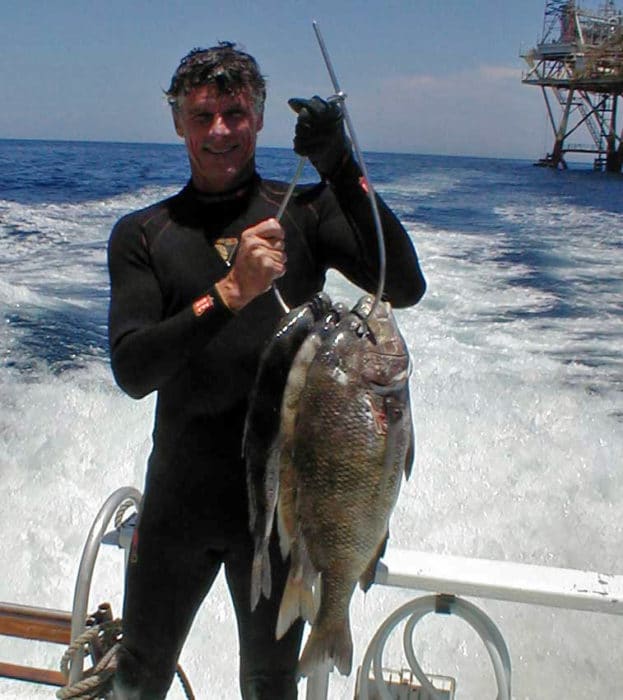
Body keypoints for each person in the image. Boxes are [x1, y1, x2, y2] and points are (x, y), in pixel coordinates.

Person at [107, 42, 426, 700]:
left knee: (269, 687)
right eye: (201, 116)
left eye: (234, 112)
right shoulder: (145, 234)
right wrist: (228, 293)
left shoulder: (304, 214)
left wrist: (341, 167)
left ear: (256, 118)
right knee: (138, 678)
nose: (218, 131)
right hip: (178, 506)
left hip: (287, 514)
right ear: (177, 122)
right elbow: (134, 369)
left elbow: (404, 284)